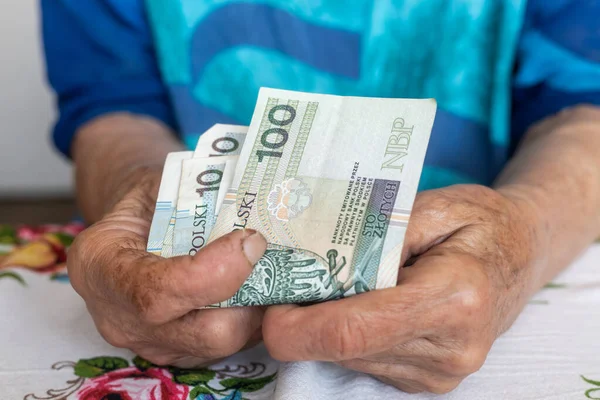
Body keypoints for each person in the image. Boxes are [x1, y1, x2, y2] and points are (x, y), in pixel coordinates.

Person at [41, 0, 600, 394]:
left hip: (477, 284)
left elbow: (582, 108)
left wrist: (521, 236)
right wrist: (147, 205)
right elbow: (112, 106)